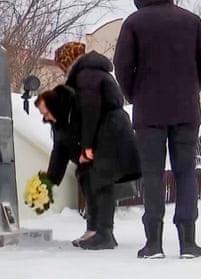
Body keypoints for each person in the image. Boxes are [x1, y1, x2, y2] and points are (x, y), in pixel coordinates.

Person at [113, 0, 201, 259]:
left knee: (151, 174)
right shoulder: (190, 21)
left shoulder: (135, 23)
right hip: (186, 110)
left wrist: (135, 94)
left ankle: (153, 243)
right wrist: (191, 88)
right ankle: (189, 242)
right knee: (185, 173)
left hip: (149, 112)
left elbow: (122, 67)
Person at [35, 42, 142, 250]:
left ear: (68, 61)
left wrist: (86, 146)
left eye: (62, 65)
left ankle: (103, 233)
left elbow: (91, 110)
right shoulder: (85, 76)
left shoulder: (88, 75)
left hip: (109, 131)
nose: (62, 70)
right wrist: (49, 181)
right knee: (88, 175)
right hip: (105, 130)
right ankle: (95, 229)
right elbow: (63, 144)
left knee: (101, 179)